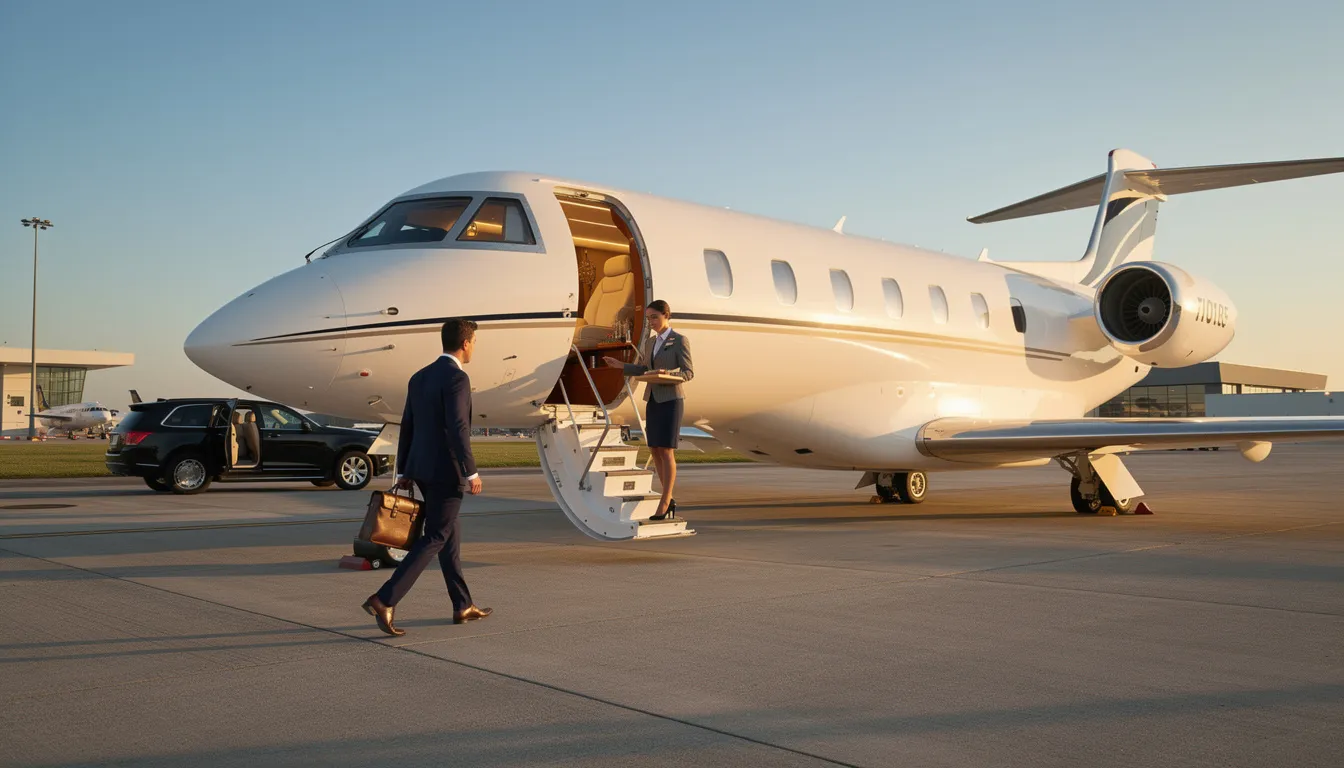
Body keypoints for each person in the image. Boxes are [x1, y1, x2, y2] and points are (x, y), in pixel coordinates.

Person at [363, 319, 491, 637]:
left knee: (449, 535)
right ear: (466, 343)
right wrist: (471, 471)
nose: (474, 346)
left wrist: (405, 470)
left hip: (421, 469)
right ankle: (385, 599)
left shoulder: (419, 377)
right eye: (474, 341)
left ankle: (462, 604)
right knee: (435, 536)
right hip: (446, 471)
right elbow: (459, 427)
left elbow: (408, 425)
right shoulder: (457, 378)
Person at [603, 300, 693, 520]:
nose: (651, 322)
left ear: (666, 315)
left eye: (654, 317)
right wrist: (620, 366)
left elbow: (688, 372)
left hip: (671, 399)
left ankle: (665, 500)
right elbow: (645, 368)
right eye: (648, 318)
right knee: (654, 449)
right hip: (653, 398)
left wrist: (667, 373)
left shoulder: (679, 340)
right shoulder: (651, 343)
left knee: (666, 450)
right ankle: (667, 497)